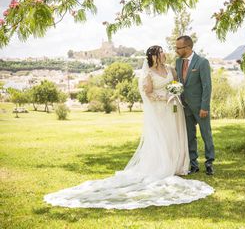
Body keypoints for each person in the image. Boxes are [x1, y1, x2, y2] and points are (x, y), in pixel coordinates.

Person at [44, 45, 214, 210]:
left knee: (176, 135)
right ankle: (166, 165)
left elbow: (178, 82)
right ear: (154, 56)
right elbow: (148, 92)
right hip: (161, 110)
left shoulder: (171, 68)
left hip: (174, 109)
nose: (165, 54)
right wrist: (164, 96)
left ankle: (183, 164)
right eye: (161, 52)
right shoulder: (148, 73)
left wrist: (175, 92)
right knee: (163, 137)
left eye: (163, 51)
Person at [175, 36, 215, 175]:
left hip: (200, 107)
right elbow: (180, 83)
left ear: (187, 48)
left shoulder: (202, 62)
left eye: (178, 48)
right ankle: (194, 164)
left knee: (206, 134)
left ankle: (209, 162)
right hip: (185, 107)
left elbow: (207, 86)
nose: (176, 50)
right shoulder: (178, 62)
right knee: (190, 136)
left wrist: (205, 107)